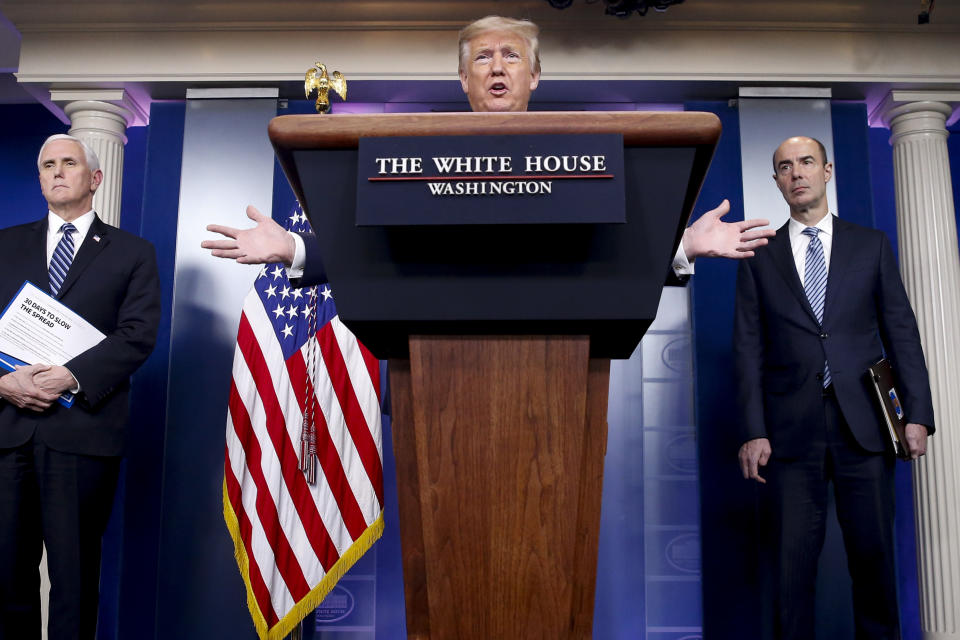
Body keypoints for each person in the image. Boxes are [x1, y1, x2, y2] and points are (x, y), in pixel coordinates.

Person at [202, 15, 775, 282]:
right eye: (482, 57)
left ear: (535, 78)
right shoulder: (408, 159)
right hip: (432, 367)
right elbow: (379, 254)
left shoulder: (589, 159)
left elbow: (608, 253)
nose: (497, 66)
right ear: (462, 80)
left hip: (563, 365)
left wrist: (683, 247)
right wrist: (295, 250)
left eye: (511, 55)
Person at [734, 135, 935, 639]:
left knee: (874, 562)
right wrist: (752, 430)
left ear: (827, 170)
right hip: (789, 435)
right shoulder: (760, 255)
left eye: (805, 162)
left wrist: (918, 414)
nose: (796, 172)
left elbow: (902, 333)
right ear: (777, 181)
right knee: (789, 571)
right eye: (784, 166)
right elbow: (748, 348)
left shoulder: (872, 245)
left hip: (866, 426)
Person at [0, 134, 162, 639]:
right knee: (6, 575)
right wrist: (4, 383)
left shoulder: (133, 253)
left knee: (73, 577)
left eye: (68, 163)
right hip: (7, 433)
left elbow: (137, 336)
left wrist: (73, 376)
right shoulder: (4, 245)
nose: (56, 172)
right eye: (47, 164)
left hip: (83, 433)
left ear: (94, 178)